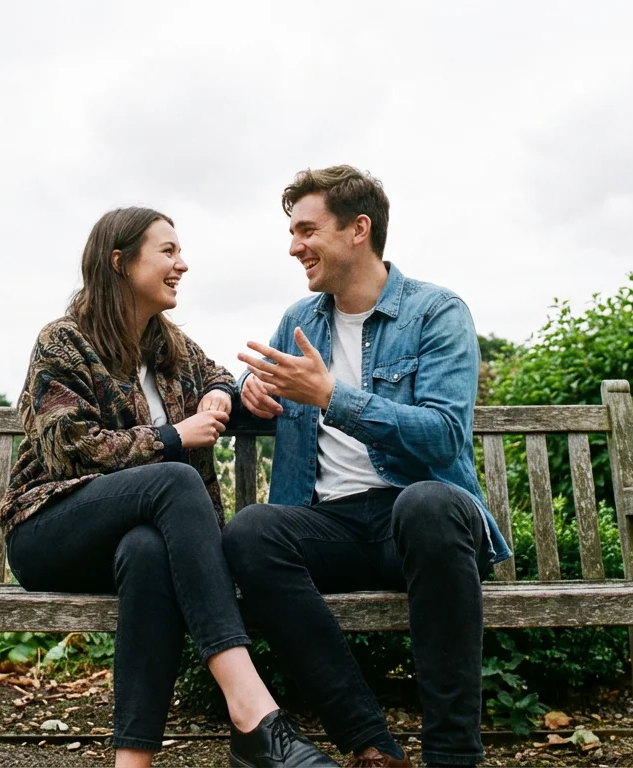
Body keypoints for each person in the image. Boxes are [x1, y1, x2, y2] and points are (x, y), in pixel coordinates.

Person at [0, 207, 337, 768]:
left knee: (149, 551)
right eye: (168, 251)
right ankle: (253, 712)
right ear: (119, 262)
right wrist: (172, 435)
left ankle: (132, 763)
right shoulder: (63, 341)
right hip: (49, 531)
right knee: (176, 478)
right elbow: (66, 446)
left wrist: (222, 396)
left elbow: (218, 376)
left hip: (119, 546)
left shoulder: (168, 344)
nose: (183, 263)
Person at [224, 167, 514, 768]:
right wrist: (248, 390)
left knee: (428, 503)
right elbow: (259, 383)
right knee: (251, 530)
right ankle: (372, 746)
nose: (294, 246)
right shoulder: (300, 320)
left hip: (418, 525)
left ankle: (453, 756)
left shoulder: (437, 313)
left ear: (359, 229)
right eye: (292, 231)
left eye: (307, 230)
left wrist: (334, 398)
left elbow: (444, 436)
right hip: (329, 525)